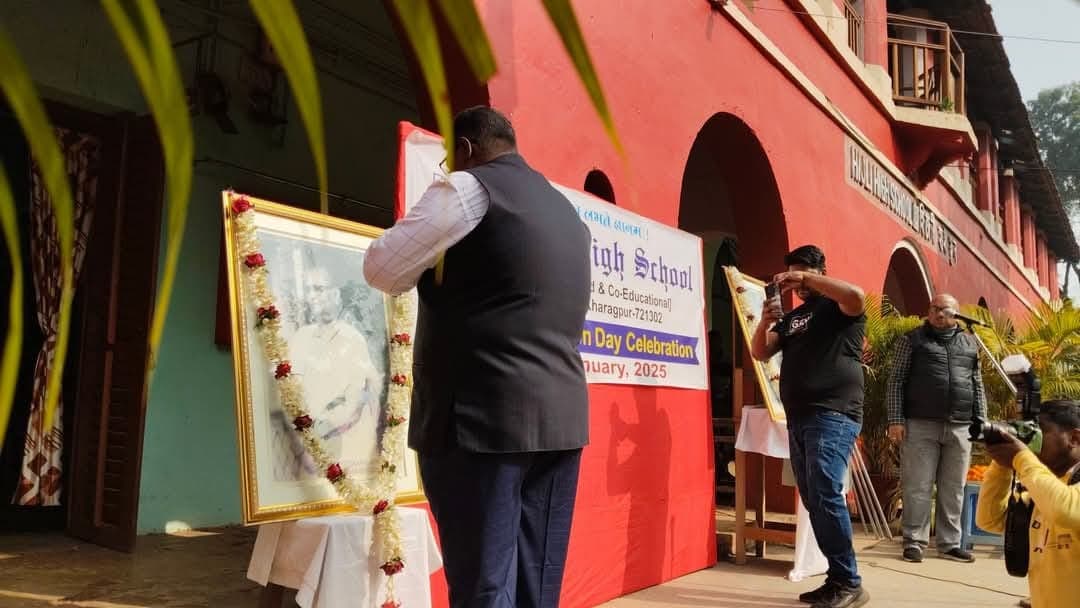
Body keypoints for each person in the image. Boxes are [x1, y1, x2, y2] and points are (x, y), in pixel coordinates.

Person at [364, 106, 591, 608]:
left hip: (482, 420)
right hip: (560, 421)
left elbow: (381, 268)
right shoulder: (565, 212)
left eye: (451, 159)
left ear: (465, 150)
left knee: (483, 583)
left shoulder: (469, 188)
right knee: (538, 580)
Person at [750, 244, 869, 608]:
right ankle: (837, 579)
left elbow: (857, 295)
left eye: (804, 271)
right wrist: (767, 319)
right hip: (799, 417)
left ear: (820, 270)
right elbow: (760, 351)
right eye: (793, 273)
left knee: (826, 491)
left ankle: (849, 581)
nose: (798, 281)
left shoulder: (839, 308)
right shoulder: (792, 319)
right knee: (814, 497)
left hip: (833, 412)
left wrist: (808, 278)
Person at [886, 293, 987, 564]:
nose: (938, 314)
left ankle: (950, 543)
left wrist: (981, 421)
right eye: (934, 309)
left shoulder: (969, 342)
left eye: (944, 310)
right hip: (920, 424)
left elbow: (977, 384)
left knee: (954, 487)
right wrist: (895, 419)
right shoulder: (912, 340)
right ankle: (914, 542)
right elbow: (896, 381)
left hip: (961, 426)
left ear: (957, 314)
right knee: (917, 485)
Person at [271, 266, 382, 480]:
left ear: (335, 294)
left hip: (343, 444)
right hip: (301, 443)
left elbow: (355, 399)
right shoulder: (301, 337)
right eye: (309, 290)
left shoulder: (353, 339)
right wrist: (304, 430)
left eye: (319, 289)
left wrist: (322, 428)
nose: (313, 297)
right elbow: (290, 389)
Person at [976, 400, 1080, 608]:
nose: (1031, 444)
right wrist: (1002, 465)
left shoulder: (1050, 486)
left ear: (1074, 438)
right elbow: (990, 520)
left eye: (1038, 433)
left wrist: (1021, 458)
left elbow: (1066, 510)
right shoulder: (1042, 483)